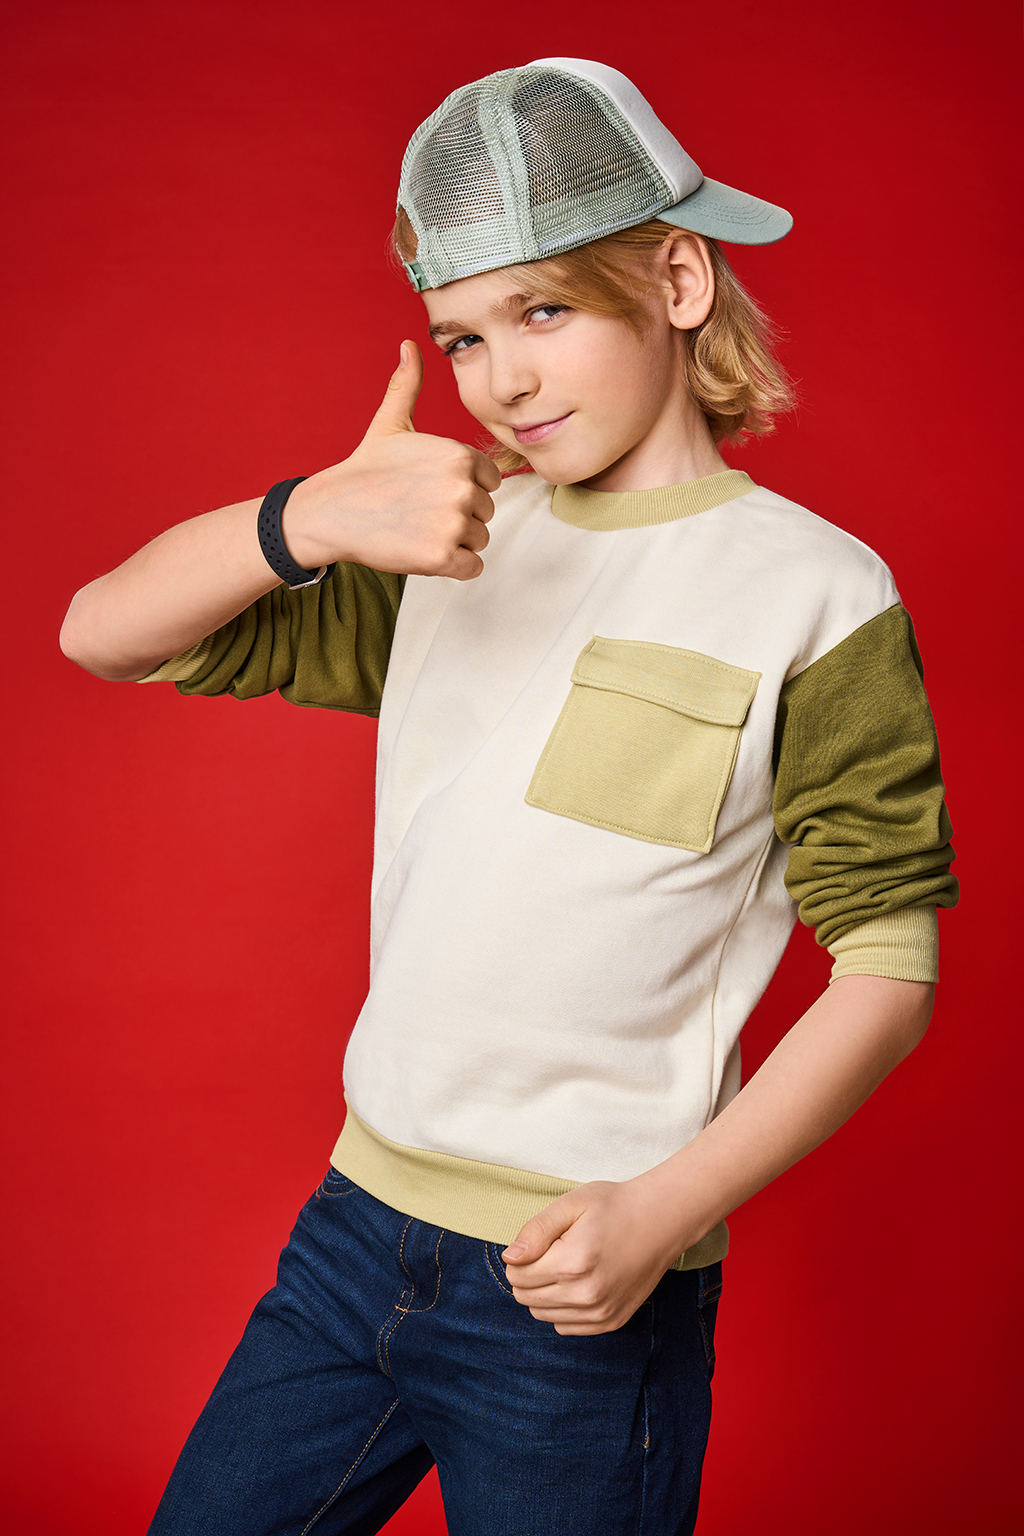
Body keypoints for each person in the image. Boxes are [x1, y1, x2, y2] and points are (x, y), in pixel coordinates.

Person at [60, 57, 957, 1536]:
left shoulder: (817, 591)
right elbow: (103, 630)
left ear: (676, 278)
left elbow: (890, 971)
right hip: (351, 1239)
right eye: (461, 335)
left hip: (582, 1283)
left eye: (544, 311)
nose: (503, 379)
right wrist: (312, 517)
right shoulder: (451, 545)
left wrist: (660, 1216)